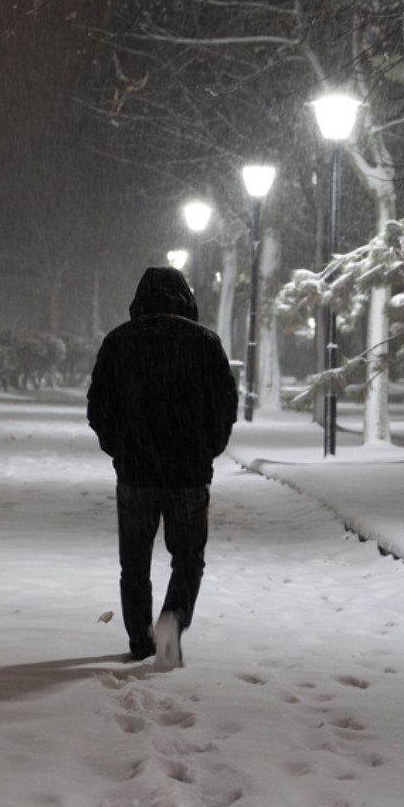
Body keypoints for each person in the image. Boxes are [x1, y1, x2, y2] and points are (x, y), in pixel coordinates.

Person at [86, 266, 238, 669]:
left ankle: (140, 638)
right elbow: (225, 406)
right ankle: (172, 618)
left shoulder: (119, 342)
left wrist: (120, 449)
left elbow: (98, 408)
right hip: (187, 473)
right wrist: (206, 449)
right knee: (188, 557)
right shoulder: (206, 344)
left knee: (134, 560)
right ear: (185, 298)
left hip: (136, 471)